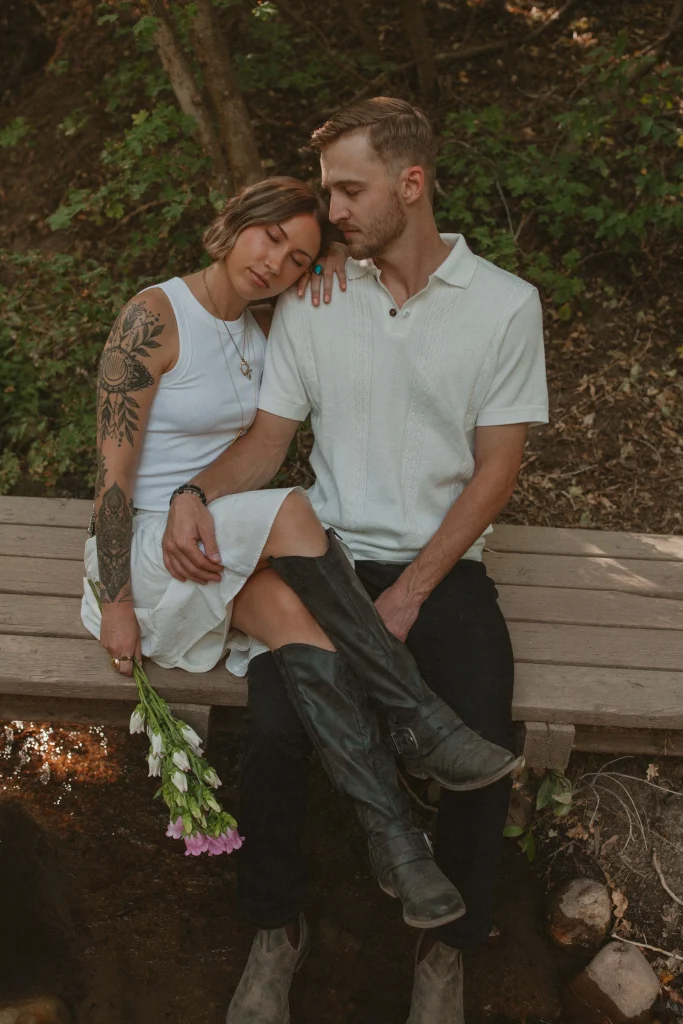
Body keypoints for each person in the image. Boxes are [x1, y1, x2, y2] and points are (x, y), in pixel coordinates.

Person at [162, 99, 549, 1023]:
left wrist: (414, 591)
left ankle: (445, 947)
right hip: (318, 565)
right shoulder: (315, 298)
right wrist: (192, 496)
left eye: (348, 190)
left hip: (440, 569)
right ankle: (274, 930)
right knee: (275, 736)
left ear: (409, 185)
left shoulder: (504, 307)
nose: (330, 210)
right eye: (329, 189)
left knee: (481, 741)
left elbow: (496, 474)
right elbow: (265, 444)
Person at [80, 174, 519, 966]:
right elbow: (112, 476)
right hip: (152, 543)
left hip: (220, 544)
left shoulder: (265, 324)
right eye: (268, 237)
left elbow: (270, 420)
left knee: (302, 632)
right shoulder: (155, 315)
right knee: (293, 510)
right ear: (233, 222)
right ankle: (418, 718)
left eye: (296, 256)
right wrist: (114, 597)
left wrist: (321, 270)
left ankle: (397, 848)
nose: (275, 262)